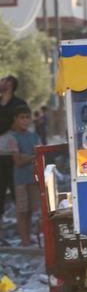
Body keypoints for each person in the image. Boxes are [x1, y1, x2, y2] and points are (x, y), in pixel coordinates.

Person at [0, 106, 41, 246]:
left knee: (30, 211)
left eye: (27, 117)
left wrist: (27, 156)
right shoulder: (13, 138)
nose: (25, 120)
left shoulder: (35, 136)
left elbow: (40, 156)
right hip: (20, 180)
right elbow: (18, 162)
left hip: (33, 178)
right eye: (21, 118)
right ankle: (25, 241)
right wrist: (32, 156)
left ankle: (28, 239)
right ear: (16, 120)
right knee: (22, 212)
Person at [0, 75, 28, 222]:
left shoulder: (19, 104)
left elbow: (21, 124)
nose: (0, 82)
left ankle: (24, 228)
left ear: (10, 84)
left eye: (3, 80)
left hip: (14, 155)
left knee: (18, 190)